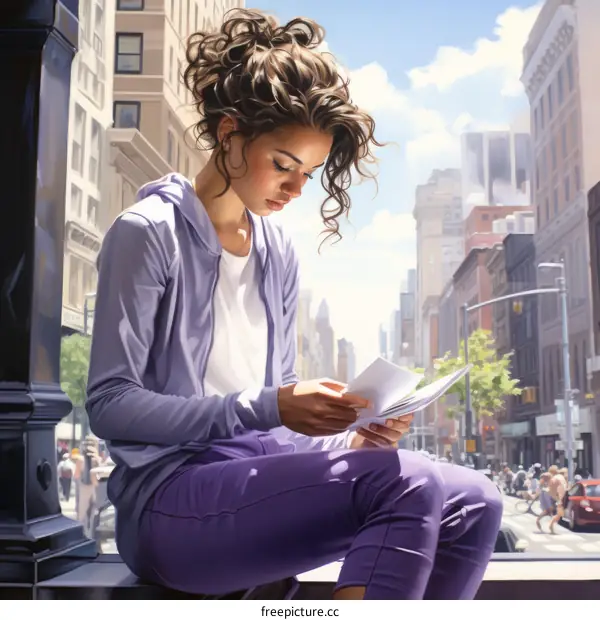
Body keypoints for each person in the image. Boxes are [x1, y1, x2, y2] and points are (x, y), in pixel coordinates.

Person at [86, 9, 502, 600]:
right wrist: (270, 406)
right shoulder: (148, 232)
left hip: (253, 482)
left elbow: (276, 427)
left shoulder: (276, 249)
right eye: (283, 164)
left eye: (307, 173)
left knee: (476, 501)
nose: (295, 188)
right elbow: (109, 404)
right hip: (170, 501)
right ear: (230, 133)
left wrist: (353, 435)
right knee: (408, 486)